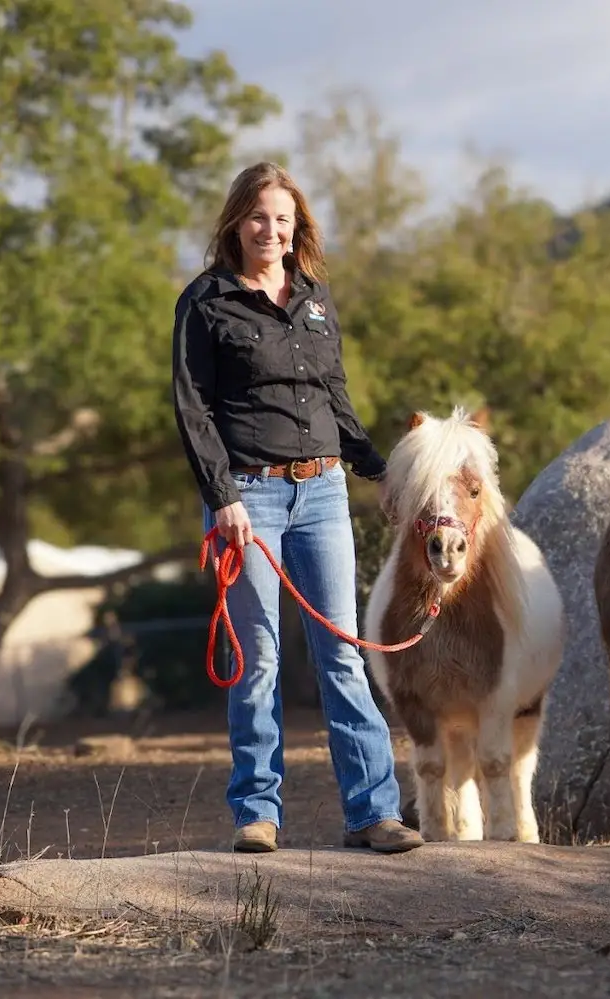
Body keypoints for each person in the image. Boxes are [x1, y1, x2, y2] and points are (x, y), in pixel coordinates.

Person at [171, 161, 422, 855]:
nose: (270, 229)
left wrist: (381, 472)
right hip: (247, 499)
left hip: (324, 493)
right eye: (258, 216)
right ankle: (257, 812)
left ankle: (373, 814)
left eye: (282, 218)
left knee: (342, 652)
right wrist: (222, 498)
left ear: (296, 228)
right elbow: (193, 412)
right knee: (258, 657)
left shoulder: (315, 301)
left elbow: (338, 403)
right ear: (236, 223)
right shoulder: (206, 301)